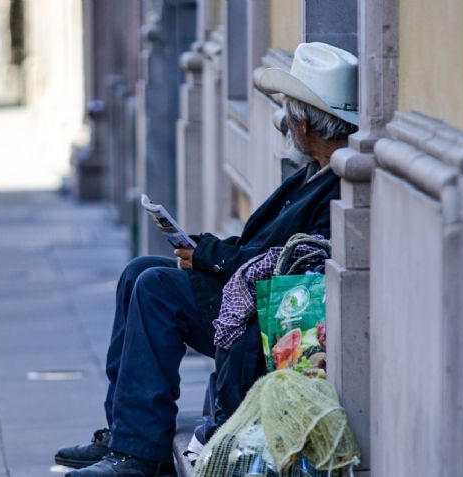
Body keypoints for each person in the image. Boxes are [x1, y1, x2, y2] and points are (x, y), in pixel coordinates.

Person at [55, 42, 359, 477]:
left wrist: (209, 258)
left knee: (156, 289)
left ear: (306, 124)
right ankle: (123, 432)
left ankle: (139, 455)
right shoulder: (313, 172)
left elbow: (288, 264)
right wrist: (203, 248)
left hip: (264, 318)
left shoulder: (335, 186)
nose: (285, 123)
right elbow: (261, 244)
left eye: (290, 115)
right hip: (246, 294)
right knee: (138, 271)